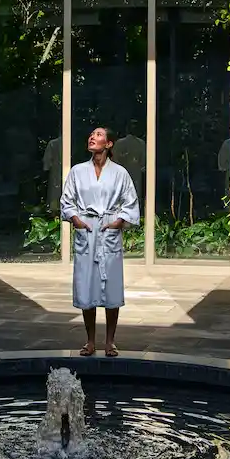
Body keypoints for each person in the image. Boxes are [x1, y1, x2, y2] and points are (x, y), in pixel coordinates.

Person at [60, 125, 140, 357]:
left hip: (108, 229)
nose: (92, 137)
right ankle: (90, 341)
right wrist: (76, 220)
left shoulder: (120, 173)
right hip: (87, 228)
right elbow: (67, 200)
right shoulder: (77, 171)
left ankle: (111, 341)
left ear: (108, 144)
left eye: (98, 135)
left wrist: (117, 223)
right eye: (91, 134)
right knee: (87, 286)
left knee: (111, 286)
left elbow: (130, 202)